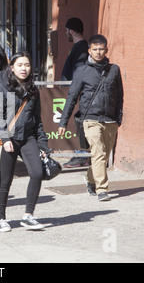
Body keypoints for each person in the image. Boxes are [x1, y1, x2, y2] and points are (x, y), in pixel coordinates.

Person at [58, 34, 124, 202]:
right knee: (99, 153)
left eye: (101, 49)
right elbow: (72, 97)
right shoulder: (82, 71)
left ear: (106, 49)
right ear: (89, 51)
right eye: (95, 49)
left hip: (110, 120)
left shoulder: (114, 70)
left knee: (101, 155)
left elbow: (120, 96)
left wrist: (118, 118)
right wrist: (63, 122)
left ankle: (89, 178)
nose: (98, 52)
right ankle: (102, 189)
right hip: (90, 119)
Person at [0, 51, 51, 232]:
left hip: (28, 138)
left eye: (27, 65)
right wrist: (4, 138)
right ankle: (1, 217)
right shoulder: (3, 87)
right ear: (12, 67)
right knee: (6, 179)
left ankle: (28, 215)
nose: (24, 69)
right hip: (9, 138)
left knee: (36, 173)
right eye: (20, 65)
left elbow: (38, 119)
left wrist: (43, 145)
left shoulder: (33, 89)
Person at [60, 17, 91, 168]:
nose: (65, 33)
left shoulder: (81, 48)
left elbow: (80, 72)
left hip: (78, 94)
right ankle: (80, 154)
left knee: (79, 124)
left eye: (66, 31)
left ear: (71, 31)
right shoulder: (77, 47)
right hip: (73, 92)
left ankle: (81, 155)